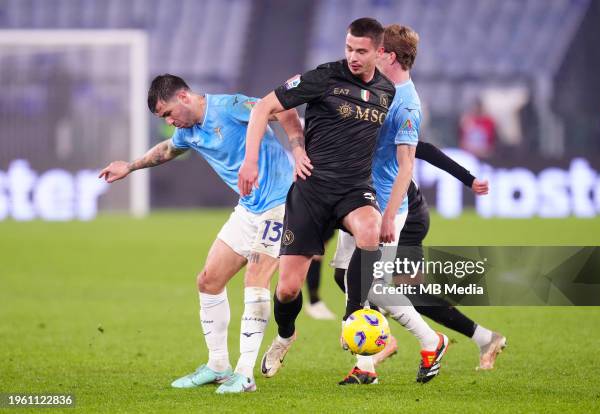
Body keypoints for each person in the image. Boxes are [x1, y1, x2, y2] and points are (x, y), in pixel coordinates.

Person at [239, 17, 446, 380]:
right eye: (348, 48)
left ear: (379, 52)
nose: (352, 56)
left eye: (361, 51)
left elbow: (406, 154)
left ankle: (353, 318)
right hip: (312, 189)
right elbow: (263, 108)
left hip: (354, 189)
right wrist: (279, 150)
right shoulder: (324, 77)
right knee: (287, 289)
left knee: (368, 230)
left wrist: (388, 215)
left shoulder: (388, 92)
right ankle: (285, 335)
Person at [99, 74, 304, 394]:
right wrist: (131, 166)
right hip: (249, 209)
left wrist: (299, 150)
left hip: (281, 203)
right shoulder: (188, 131)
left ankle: (245, 374)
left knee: (255, 278)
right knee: (208, 280)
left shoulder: (231, 106)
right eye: (162, 118)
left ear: (183, 97)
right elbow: (168, 149)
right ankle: (218, 365)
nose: (169, 122)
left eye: (168, 113)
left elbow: (285, 112)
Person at [333, 24, 505, 385]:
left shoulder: (405, 102)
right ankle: (467, 338)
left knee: (385, 285)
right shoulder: (375, 87)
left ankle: (418, 345)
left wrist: (390, 215)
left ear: (388, 56)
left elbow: (414, 155)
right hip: (361, 200)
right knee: (349, 276)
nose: (366, 55)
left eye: (375, 50)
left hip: (394, 207)